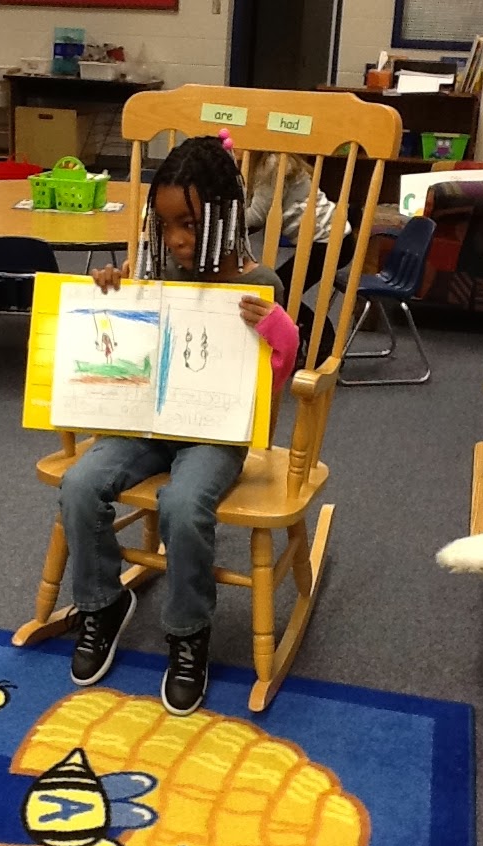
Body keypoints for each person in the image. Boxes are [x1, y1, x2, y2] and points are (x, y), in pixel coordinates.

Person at [59, 136, 299, 717]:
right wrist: (114, 294)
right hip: (147, 421)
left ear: (224, 215)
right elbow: (127, 348)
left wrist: (279, 331)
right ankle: (102, 602)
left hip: (215, 434)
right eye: (164, 226)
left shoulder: (258, 280)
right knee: (81, 483)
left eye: (189, 224)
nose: (176, 240)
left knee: (184, 506)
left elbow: (275, 384)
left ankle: (188, 633)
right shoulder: (159, 269)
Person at [245, 151, 356, 368]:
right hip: (330, 238)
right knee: (284, 290)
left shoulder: (272, 163)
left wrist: (225, 218)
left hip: (328, 242)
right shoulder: (271, 161)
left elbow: (258, 215)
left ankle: (324, 347)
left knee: (281, 291)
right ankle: (312, 344)